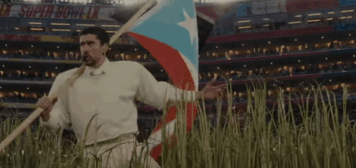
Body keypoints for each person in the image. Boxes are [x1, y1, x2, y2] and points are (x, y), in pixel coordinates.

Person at [36, 26, 226, 168]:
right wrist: (46, 115)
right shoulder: (65, 80)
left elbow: (160, 93)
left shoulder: (129, 70)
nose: (85, 49)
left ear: (105, 47)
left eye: (90, 44)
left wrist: (198, 94)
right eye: (82, 45)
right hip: (92, 155)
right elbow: (58, 122)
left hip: (129, 148)